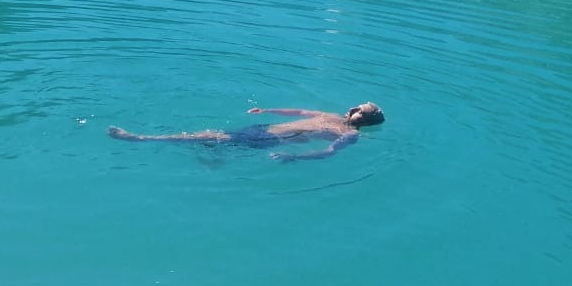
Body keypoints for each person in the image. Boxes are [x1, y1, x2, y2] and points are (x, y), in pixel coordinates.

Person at [107, 102, 385, 162]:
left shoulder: (350, 135)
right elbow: (300, 113)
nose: (352, 107)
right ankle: (215, 160)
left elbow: (328, 152)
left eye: (360, 108)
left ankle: (140, 139)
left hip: (274, 139)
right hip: (264, 129)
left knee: (209, 135)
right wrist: (266, 111)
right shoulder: (330, 115)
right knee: (217, 140)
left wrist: (294, 157)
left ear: (365, 119)